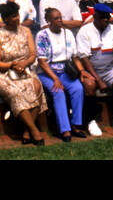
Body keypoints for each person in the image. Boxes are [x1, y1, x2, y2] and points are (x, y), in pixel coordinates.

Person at [0, 0, 47, 145]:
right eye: (14, 16)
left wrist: (24, 63)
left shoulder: (25, 31)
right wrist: (12, 64)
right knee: (16, 93)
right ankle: (34, 130)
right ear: (6, 19)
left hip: (25, 69)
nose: (17, 18)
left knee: (36, 87)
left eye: (18, 15)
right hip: (3, 73)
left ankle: (27, 132)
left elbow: (33, 55)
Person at [35, 7, 87, 141]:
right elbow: (42, 62)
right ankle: (65, 130)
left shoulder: (68, 33)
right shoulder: (42, 35)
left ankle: (76, 125)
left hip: (66, 71)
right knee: (58, 92)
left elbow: (75, 57)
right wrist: (54, 78)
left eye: (60, 17)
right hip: (48, 72)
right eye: (56, 19)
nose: (59, 21)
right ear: (48, 21)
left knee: (78, 89)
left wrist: (81, 71)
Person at [76, 3, 113, 136]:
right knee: (90, 85)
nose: (107, 20)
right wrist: (98, 79)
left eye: (108, 17)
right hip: (91, 70)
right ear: (95, 16)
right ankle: (91, 121)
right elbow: (85, 59)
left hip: (109, 69)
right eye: (103, 17)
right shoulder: (85, 31)